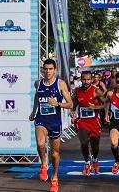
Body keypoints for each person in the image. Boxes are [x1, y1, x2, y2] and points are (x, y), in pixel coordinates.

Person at [29, 59, 73, 192]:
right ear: (42, 70)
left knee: (55, 154)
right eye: (45, 69)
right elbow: (37, 97)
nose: (47, 72)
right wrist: (33, 111)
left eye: (50, 69)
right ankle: (43, 164)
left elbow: (70, 104)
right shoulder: (38, 83)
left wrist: (58, 104)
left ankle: (54, 177)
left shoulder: (60, 84)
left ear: (55, 70)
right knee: (40, 143)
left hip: (55, 122)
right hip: (41, 120)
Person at [70, 71, 105, 176]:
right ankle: (87, 163)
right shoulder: (77, 91)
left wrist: (96, 107)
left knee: (95, 146)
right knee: (84, 142)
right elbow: (74, 105)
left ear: (91, 79)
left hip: (94, 121)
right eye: (84, 79)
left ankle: (95, 159)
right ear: (81, 79)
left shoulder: (96, 91)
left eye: (88, 79)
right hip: (82, 121)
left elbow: (105, 104)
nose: (86, 81)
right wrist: (72, 113)